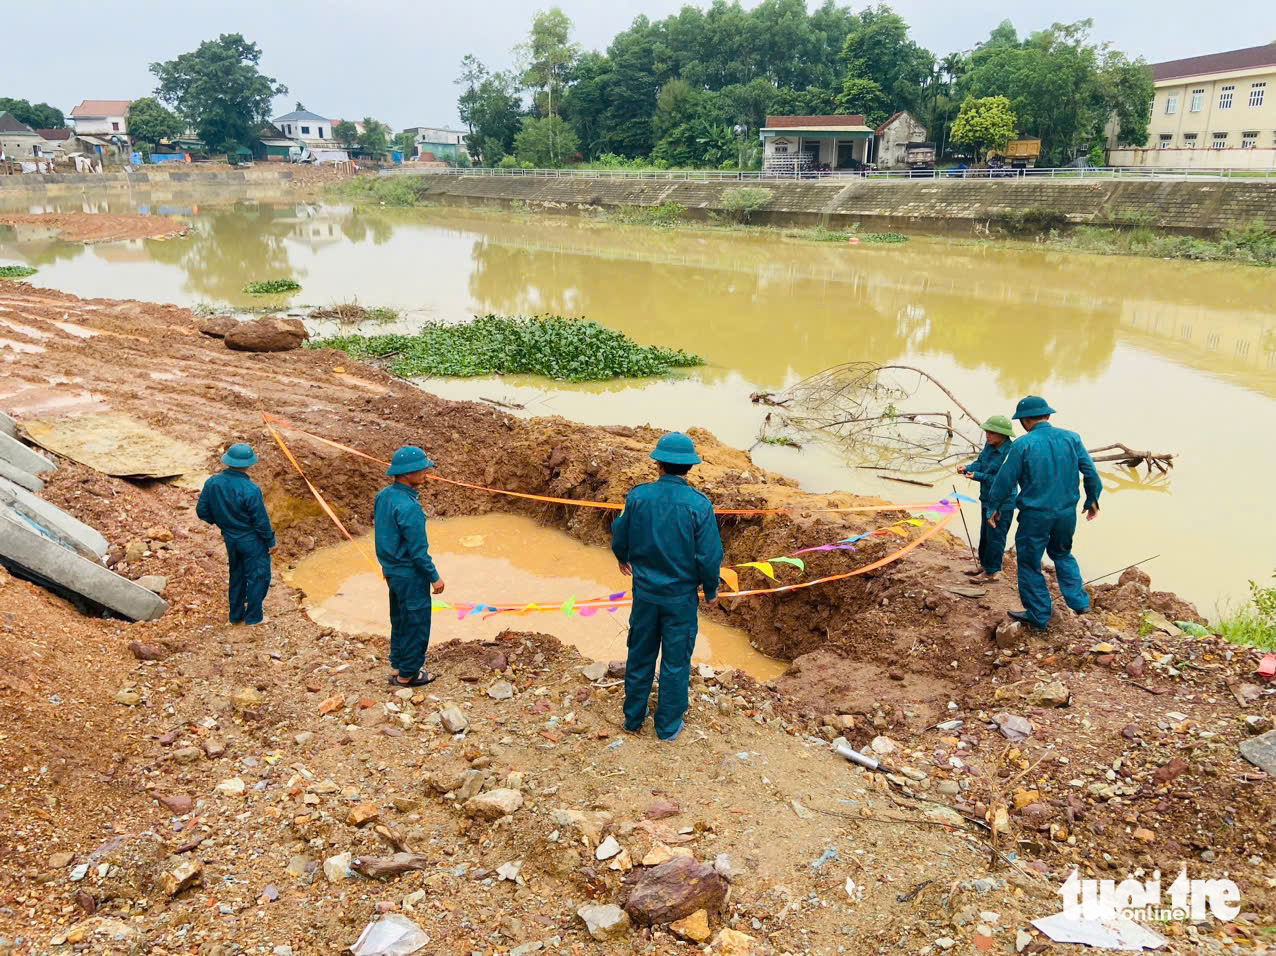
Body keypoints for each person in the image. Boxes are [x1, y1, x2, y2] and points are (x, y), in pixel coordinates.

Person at [611, 432, 724, 741]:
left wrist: (622, 557)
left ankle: (633, 718)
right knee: (676, 662)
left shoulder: (638, 496)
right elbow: (710, 555)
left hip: (645, 594)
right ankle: (668, 727)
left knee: (640, 654)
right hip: (680, 599)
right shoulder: (699, 505)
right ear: (689, 468)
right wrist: (711, 590)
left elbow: (620, 532)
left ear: (658, 464)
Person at [987, 396, 1101, 630]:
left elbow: (1004, 480)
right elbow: (1090, 473)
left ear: (1025, 421)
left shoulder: (1022, 445)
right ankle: (1079, 602)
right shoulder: (1072, 438)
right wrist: (1092, 499)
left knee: (1029, 562)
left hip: (1035, 516)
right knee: (1062, 554)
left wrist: (993, 506)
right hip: (1066, 514)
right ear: (1047, 415)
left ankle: (1038, 614)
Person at [375, 446, 445, 687]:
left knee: (400, 618)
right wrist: (434, 577)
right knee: (417, 622)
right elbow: (418, 551)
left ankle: (398, 666)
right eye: (422, 470)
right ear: (408, 474)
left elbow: (384, 535)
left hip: (392, 571)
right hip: (411, 574)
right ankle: (409, 675)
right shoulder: (409, 507)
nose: (426, 473)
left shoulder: (384, 496)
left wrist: (388, 564)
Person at [196, 442, 277, 626]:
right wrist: (271, 541)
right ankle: (254, 618)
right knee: (258, 577)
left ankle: (235, 616)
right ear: (249, 464)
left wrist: (223, 522)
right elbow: (261, 521)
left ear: (228, 461)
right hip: (251, 540)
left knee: (237, 574)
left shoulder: (212, 483)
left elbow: (202, 511)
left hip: (230, 538)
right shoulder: (251, 490)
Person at [956, 415, 1016, 581]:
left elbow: (1002, 480)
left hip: (1003, 502)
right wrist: (967, 468)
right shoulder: (990, 446)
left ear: (1003, 435)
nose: (987, 436)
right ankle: (984, 565)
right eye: (987, 432)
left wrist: (978, 476)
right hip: (988, 499)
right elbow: (980, 463)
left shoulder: (1010, 453)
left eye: (991, 433)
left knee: (996, 536)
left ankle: (993, 572)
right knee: (985, 534)